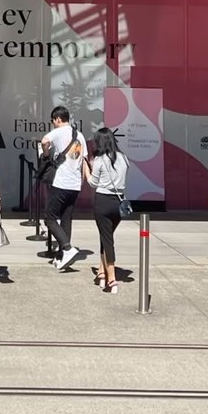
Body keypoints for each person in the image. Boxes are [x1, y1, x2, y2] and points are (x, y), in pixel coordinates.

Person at [39, 106, 88, 272]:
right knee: (66, 218)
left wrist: (46, 154)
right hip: (75, 184)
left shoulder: (59, 131)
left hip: (61, 182)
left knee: (49, 217)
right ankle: (62, 255)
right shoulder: (79, 135)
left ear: (58, 119)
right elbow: (83, 160)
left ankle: (67, 248)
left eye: (53, 121)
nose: (53, 124)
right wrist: (81, 181)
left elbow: (44, 140)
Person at [87, 126, 128, 293]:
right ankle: (102, 272)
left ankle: (111, 279)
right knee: (106, 236)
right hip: (119, 202)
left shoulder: (100, 160)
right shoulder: (124, 158)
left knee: (107, 239)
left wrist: (87, 169)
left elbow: (93, 183)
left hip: (103, 201)